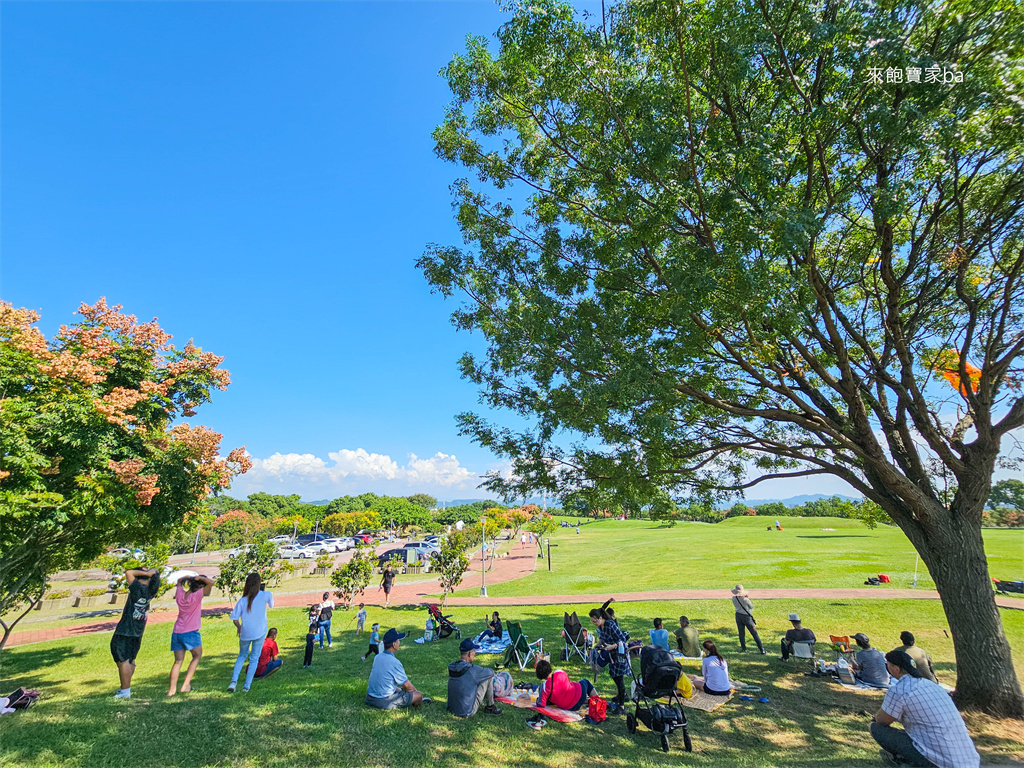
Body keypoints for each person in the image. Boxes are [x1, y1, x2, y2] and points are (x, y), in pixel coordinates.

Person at [870, 650, 979, 768]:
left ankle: (909, 762)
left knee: (875, 728)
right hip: (969, 760)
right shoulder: (932, 686)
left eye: (888, 664)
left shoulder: (900, 690)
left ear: (896, 669)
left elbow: (881, 720)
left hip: (940, 761)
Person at [110, 567, 162, 699]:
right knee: (130, 661)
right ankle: (125, 687)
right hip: (137, 632)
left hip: (126, 631)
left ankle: (125, 691)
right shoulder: (151, 591)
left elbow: (128, 572)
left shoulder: (137, 589)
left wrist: (147, 572)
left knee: (123, 661)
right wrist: (153, 572)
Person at [168, 572, 213, 697]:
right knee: (197, 656)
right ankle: (185, 685)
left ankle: (172, 690)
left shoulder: (181, 595)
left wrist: (185, 578)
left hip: (177, 631)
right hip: (190, 632)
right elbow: (212, 583)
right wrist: (200, 578)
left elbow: (178, 582)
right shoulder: (197, 596)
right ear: (199, 586)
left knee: (178, 661)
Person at [228, 573, 274, 693]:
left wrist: (239, 627)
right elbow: (272, 605)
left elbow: (234, 618)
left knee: (242, 656)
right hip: (260, 631)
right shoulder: (265, 595)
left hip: (245, 632)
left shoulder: (243, 600)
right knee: (254, 658)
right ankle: (246, 686)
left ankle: (233, 681)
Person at [365, 628, 428, 709]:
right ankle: (418, 701)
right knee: (418, 695)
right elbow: (407, 686)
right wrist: (415, 693)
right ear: (394, 644)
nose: (399, 642)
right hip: (383, 701)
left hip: (369, 697)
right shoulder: (394, 662)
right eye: (398, 640)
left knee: (397, 689)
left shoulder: (377, 657)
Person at [526, 658, 595, 729]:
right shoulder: (559, 672)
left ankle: (590, 701)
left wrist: (538, 699)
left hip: (571, 707)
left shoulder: (544, 687)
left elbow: (541, 704)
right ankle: (597, 701)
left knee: (548, 696)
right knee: (585, 681)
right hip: (580, 693)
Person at [588, 603, 630, 715]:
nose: (594, 623)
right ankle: (623, 695)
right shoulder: (600, 627)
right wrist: (597, 645)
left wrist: (613, 646)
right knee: (614, 676)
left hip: (619, 654)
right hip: (610, 655)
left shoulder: (610, 625)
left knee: (619, 678)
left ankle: (621, 706)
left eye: (595, 621)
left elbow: (622, 639)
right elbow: (602, 638)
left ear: (600, 618)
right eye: (592, 622)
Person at [447, 637, 503, 718]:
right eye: (474, 652)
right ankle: (490, 707)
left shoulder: (451, 666)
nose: (475, 654)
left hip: (451, 708)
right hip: (466, 711)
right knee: (487, 677)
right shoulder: (472, 670)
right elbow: (491, 672)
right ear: (470, 653)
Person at [731, 584, 766, 654]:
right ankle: (761, 649)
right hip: (746, 617)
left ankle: (744, 648)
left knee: (741, 632)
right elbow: (751, 607)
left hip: (738, 615)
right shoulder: (746, 600)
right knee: (754, 633)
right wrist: (747, 599)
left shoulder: (734, 598)